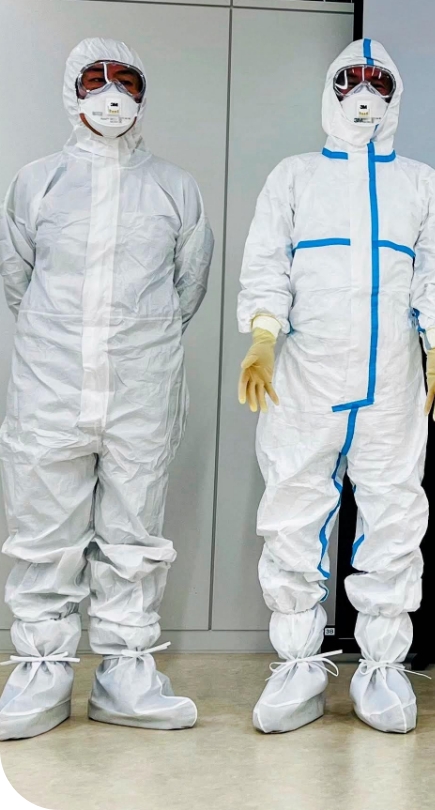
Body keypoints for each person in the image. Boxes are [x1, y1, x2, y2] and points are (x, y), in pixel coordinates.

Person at [237, 38, 435, 734]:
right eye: (350, 81)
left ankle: (382, 668)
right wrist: (263, 336)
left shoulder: (421, 184)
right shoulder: (294, 177)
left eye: (377, 83)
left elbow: (434, 278)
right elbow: (267, 263)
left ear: (394, 96)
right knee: (293, 515)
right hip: (305, 377)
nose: (364, 95)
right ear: (331, 90)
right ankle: (298, 664)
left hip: (391, 380)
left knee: (393, 517)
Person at [0, 38, 214, 740]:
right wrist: (63, 339)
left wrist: (136, 342)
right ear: (72, 91)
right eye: (95, 80)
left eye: (126, 82)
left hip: (141, 387)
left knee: (134, 533)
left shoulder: (174, 188)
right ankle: (41, 674)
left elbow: (187, 287)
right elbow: (17, 278)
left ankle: (126, 674)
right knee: (44, 532)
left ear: (144, 96)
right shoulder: (37, 183)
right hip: (51, 383)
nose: (111, 96)